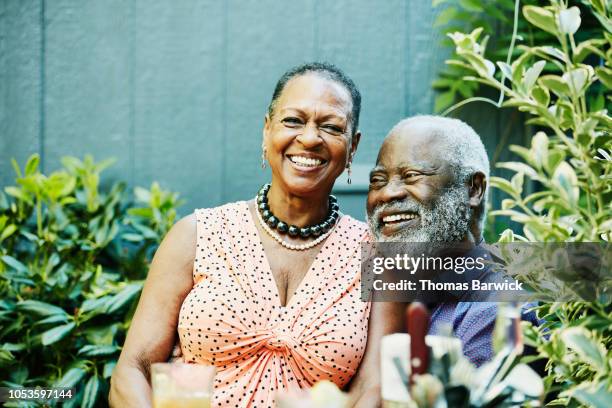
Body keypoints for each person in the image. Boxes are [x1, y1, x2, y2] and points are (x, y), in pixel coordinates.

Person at [109, 62, 402, 408]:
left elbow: (374, 388)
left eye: (331, 127)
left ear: (352, 147)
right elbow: (132, 369)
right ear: (266, 131)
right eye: (293, 120)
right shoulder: (196, 235)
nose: (309, 138)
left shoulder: (378, 258)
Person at [365, 115, 537, 367]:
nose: (387, 193)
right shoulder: (379, 290)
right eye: (377, 181)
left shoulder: (499, 314)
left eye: (412, 175)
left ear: (473, 189)